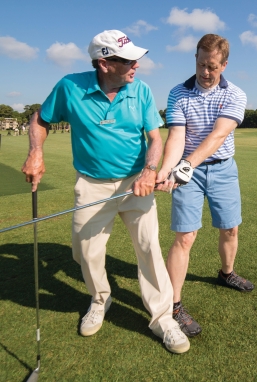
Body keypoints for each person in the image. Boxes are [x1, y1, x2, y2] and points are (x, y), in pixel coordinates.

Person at [21, 30, 189, 354]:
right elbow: (40, 119)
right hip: (92, 185)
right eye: (127, 60)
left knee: (149, 250)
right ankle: (100, 299)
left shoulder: (140, 90)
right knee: (84, 252)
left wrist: (149, 171)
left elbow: (155, 139)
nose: (136, 65)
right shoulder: (70, 86)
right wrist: (35, 152)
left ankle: (163, 319)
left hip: (136, 183)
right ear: (104, 63)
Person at [155, 34, 254, 337]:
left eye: (212, 66)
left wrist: (184, 166)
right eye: (200, 64)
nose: (205, 72)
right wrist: (167, 169)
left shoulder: (236, 94)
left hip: (223, 169)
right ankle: (174, 305)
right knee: (185, 237)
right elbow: (177, 137)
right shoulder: (178, 93)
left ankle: (226, 274)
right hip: (189, 173)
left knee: (230, 228)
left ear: (224, 64)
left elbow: (217, 136)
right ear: (195, 60)